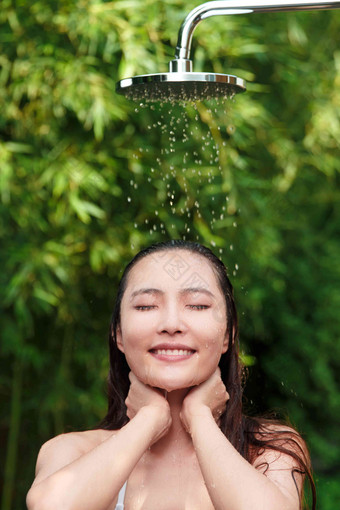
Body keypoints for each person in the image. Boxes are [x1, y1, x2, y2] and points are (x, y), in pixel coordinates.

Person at [26, 240, 315, 510]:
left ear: (228, 334)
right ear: (119, 335)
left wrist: (200, 417)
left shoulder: (268, 449)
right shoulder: (73, 450)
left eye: (198, 305)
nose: (171, 323)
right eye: (146, 306)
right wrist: (149, 419)